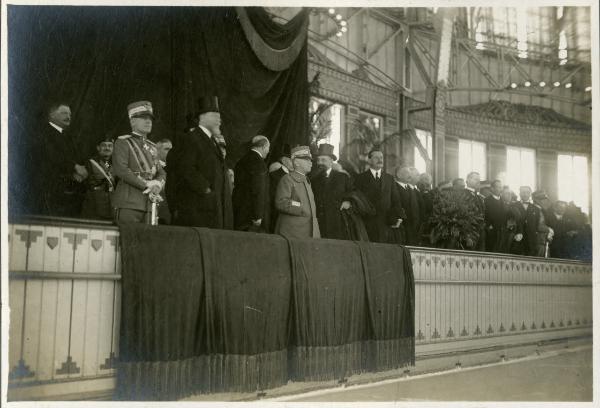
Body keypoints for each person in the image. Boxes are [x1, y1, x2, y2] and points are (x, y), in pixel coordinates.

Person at [166, 96, 233, 229]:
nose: (219, 120)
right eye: (215, 115)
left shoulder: (212, 141)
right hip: (200, 211)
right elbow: (186, 168)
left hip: (215, 211)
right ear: (203, 117)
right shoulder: (191, 138)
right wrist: (206, 190)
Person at [111, 101, 165, 223]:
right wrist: (146, 184)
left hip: (150, 205)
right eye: (143, 118)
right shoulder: (123, 142)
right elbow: (121, 170)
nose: (148, 121)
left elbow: (161, 173)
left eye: (150, 119)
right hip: (129, 203)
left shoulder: (152, 146)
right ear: (132, 121)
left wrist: (157, 184)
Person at [38, 102, 88, 216]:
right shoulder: (44, 132)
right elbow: (51, 155)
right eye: (64, 113)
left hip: (64, 188)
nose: (68, 116)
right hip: (48, 188)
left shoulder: (66, 135)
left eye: (70, 114)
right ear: (52, 115)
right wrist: (75, 168)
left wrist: (77, 173)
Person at [354, 148, 404, 243]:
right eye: (376, 157)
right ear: (369, 160)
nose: (380, 160)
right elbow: (357, 199)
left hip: (386, 222)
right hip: (367, 222)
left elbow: (396, 199)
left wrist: (399, 217)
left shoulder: (389, 178)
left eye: (381, 157)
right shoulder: (360, 178)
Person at [274, 146, 320, 239]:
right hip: (293, 232)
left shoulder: (306, 181)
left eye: (310, 160)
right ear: (296, 162)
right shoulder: (287, 179)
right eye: (306, 160)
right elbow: (281, 202)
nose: (310, 163)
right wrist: (301, 206)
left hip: (307, 232)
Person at [309, 143, 354, 240]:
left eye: (323, 160)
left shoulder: (343, 177)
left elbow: (352, 192)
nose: (320, 163)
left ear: (331, 160)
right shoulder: (314, 179)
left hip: (337, 221)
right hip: (319, 221)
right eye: (318, 160)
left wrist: (348, 201)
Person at [232, 135, 271, 232]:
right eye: (268, 148)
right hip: (251, 216)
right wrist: (258, 215)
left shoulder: (241, 161)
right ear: (263, 147)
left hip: (239, 211)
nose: (268, 151)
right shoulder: (259, 164)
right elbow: (258, 190)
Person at [81, 137, 114, 220]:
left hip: (112, 208)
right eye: (104, 145)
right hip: (93, 207)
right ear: (98, 147)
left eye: (110, 146)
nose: (107, 148)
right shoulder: (89, 162)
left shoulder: (117, 164)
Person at [510, 186, 541, 256]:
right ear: (519, 193)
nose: (525, 194)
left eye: (527, 192)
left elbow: (536, 225)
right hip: (517, 240)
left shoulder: (536, 209)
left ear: (530, 194)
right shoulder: (513, 206)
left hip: (531, 241)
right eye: (523, 192)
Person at [464, 171, 485, 251]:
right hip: (469, 232)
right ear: (468, 180)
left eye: (479, 180)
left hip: (480, 231)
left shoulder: (479, 197)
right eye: (475, 179)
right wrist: (467, 235)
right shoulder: (463, 194)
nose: (478, 182)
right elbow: (463, 216)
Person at [155, 138, 173, 224]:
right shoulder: (152, 167)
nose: (170, 152)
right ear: (157, 150)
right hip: (156, 209)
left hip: (169, 211)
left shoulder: (174, 168)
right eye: (166, 149)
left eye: (171, 149)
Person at [484, 180, 505, 252]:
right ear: (492, 188)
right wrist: (488, 226)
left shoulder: (504, 201)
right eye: (498, 187)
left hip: (502, 232)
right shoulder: (486, 201)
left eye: (501, 187)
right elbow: (484, 215)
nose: (500, 189)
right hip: (491, 231)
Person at [531, 191, 554, 257]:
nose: (545, 201)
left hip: (542, 241)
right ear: (536, 200)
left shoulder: (541, 210)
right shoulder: (535, 210)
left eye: (545, 199)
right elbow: (538, 226)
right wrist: (549, 230)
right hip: (539, 242)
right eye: (542, 199)